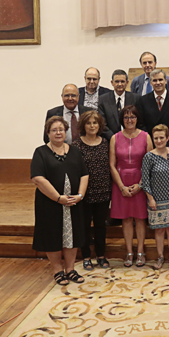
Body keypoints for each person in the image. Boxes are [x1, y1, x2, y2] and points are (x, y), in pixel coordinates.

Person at [31, 116, 88, 286]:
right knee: (52, 235)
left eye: (61, 129)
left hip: (73, 203)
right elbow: (38, 178)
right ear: (48, 133)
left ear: (66, 132)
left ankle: (70, 269)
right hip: (50, 203)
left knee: (72, 235)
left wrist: (80, 195)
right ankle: (57, 270)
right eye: (54, 130)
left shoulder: (75, 151)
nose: (58, 133)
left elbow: (84, 174)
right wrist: (58, 198)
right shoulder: (41, 152)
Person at [109, 105, 153, 267]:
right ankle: (129, 252)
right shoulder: (115, 138)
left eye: (132, 117)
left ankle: (140, 252)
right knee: (126, 219)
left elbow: (149, 164)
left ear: (137, 118)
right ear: (122, 119)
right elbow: (112, 165)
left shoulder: (146, 136)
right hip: (121, 181)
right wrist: (121, 187)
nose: (129, 120)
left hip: (140, 180)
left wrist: (140, 185)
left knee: (140, 218)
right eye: (126, 117)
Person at [71, 111, 112, 270]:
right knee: (85, 226)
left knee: (101, 225)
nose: (92, 126)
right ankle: (86, 256)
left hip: (103, 191)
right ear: (83, 125)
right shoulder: (76, 145)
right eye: (88, 123)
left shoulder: (105, 143)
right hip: (85, 193)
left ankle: (101, 255)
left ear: (99, 125)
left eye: (95, 123)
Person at [142, 125, 169, 270]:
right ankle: (160, 257)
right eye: (156, 138)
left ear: (168, 138)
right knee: (159, 230)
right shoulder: (148, 157)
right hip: (156, 200)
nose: (159, 141)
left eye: (161, 138)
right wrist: (151, 198)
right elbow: (145, 180)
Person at [137, 69, 169, 147]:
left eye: (160, 80)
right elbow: (141, 125)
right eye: (155, 80)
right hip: (151, 145)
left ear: (166, 81)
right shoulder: (143, 100)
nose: (158, 83)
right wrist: (152, 142)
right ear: (150, 83)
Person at [99, 69, 140, 138]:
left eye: (122, 81)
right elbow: (102, 124)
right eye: (117, 81)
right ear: (112, 83)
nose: (120, 84)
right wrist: (114, 138)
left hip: (132, 138)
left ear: (127, 82)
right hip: (110, 139)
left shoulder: (136, 98)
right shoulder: (103, 99)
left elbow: (139, 121)